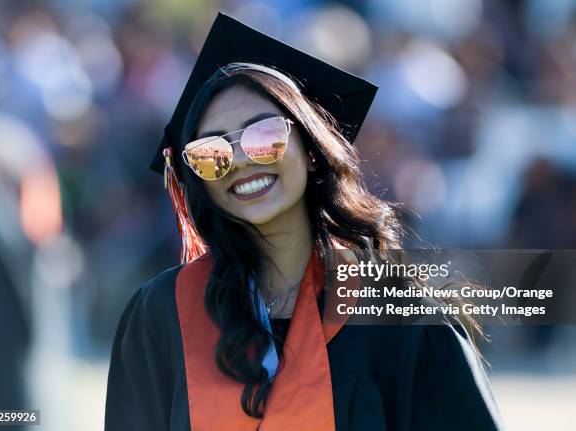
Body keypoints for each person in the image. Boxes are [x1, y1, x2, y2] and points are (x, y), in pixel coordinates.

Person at [104, 12, 503, 431]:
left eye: (265, 136)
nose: (239, 161)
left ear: (312, 148)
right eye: (212, 152)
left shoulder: (399, 319)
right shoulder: (164, 313)